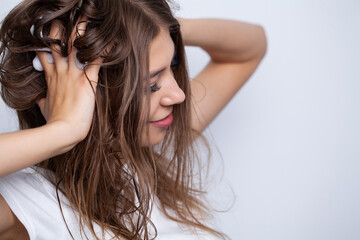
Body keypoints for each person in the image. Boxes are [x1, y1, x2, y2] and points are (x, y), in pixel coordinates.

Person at [0, 0, 267, 239]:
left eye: (172, 65)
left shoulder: (145, 157)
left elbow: (250, 48)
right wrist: (64, 130)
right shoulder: (28, 205)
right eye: (151, 85)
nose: (178, 95)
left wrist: (152, 24)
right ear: (87, 94)